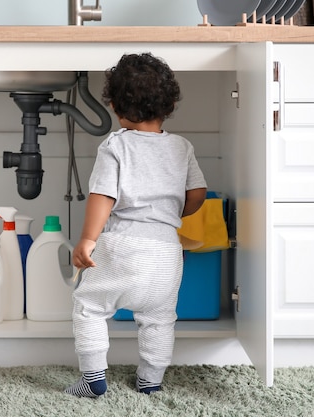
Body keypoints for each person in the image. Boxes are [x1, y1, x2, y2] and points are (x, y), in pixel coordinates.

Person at [65, 52, 207, 398]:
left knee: (90, 305)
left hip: (122, 246)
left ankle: (93, 378)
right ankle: (150, 380)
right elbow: (197, 193)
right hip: (166, 253)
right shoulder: (181, 147)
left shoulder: (115, 145)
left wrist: (87, 239)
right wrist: (172, 213)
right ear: (170, 104)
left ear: (114, 106)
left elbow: (103, 196)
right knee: (159, 318)